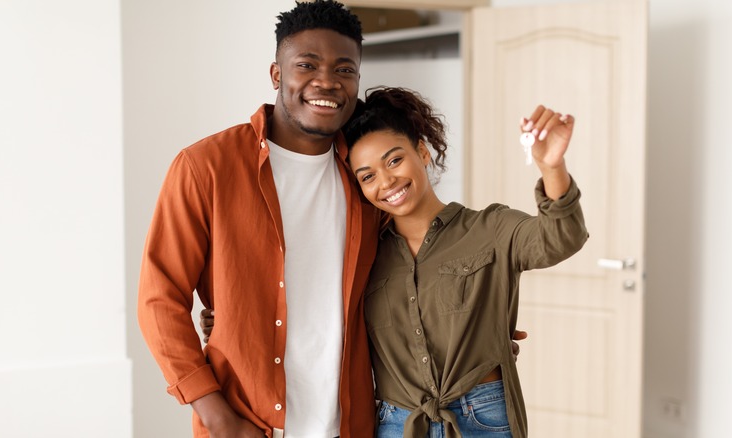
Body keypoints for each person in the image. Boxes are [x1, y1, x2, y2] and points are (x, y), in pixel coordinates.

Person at [137, 1, 380, 437]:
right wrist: (221, 421)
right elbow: (160, 300)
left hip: (351, 424)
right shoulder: (206, 167)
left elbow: (407, 269)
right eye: (307, 64)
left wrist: (473, 316)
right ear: (276, 74)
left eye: (345, 70)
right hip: (248, 425)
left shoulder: (367, 179)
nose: (327, 81)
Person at [341, 87, 588, 437]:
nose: (386, 181)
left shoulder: (490, 227)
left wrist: (552, 168)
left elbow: (561, 238)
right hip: (397, 423)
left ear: (423, 152)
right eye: (367, 176)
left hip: (483, 418)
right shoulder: (364, 255)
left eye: (394, 160)